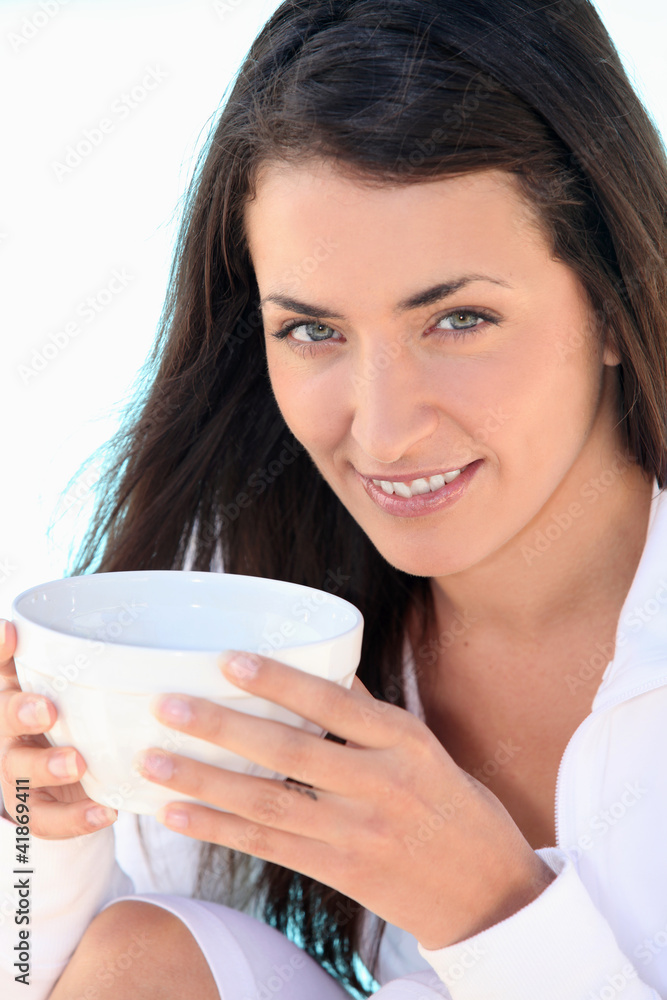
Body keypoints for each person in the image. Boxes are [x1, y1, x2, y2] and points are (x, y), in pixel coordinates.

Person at [1, 0, 667, 996]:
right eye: (313, 331)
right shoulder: (256, 612)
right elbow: (41, 975)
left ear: (613, 303)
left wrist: (487, 910)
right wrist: (34, 834)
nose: (383, 428)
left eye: (460, 318)